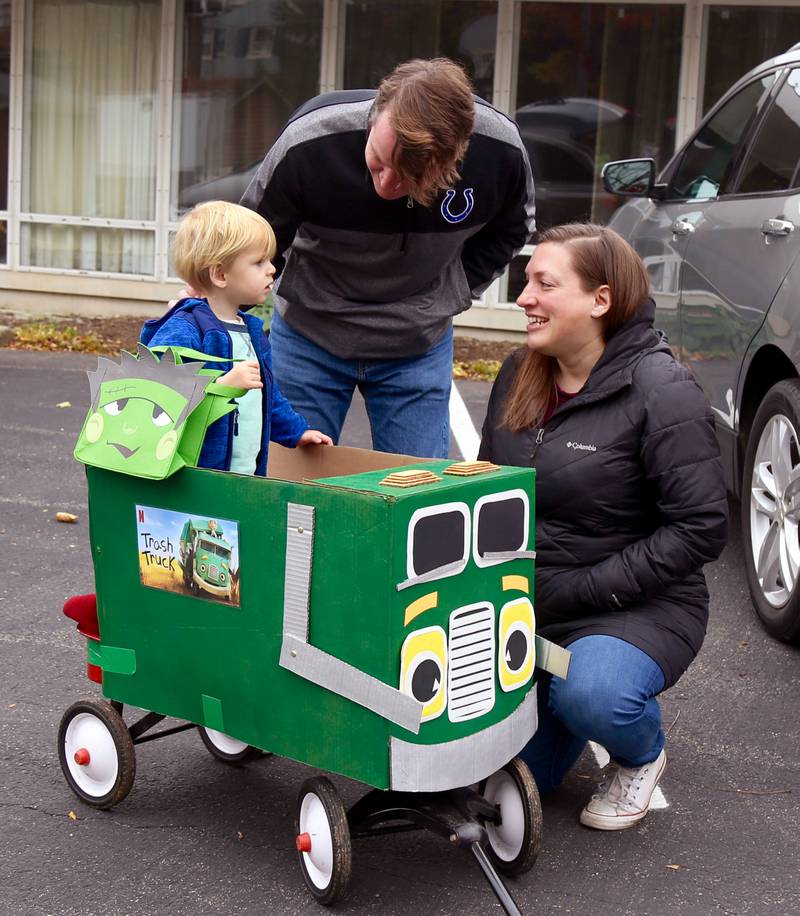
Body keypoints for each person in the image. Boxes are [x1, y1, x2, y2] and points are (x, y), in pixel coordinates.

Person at [478, 223, 728, 830]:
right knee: (492, 790)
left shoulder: (661, 388)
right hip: (530, 602)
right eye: (525, 280)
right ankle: (555, 704)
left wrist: (582, 590)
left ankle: (639, 754)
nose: (523, 297)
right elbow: (485, 483)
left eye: (544, 282)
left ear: (601, 299)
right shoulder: (521, 371)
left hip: (637, 606)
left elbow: (700, 527)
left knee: (596, 694)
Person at [240, 57, 535, 458]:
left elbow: (513, 229)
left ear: (456, 157)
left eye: (410, 179)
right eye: (379, 161)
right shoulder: (309, 141)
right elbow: (253, 236)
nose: (386, 185)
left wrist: (451, 291)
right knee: (288, 487)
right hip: (310, 333)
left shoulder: (499, 152)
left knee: (416, 492)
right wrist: (219, 312)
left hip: (418, 343)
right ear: (378, 113)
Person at [141, 201, 332, 476]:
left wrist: (297, 432)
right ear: (220, 274)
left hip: (244, 476)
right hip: (197, 479)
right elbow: (160, 396)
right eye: (258, 262)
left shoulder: (251, 331)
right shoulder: (186, 328)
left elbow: (269, 397)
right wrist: (224, 386)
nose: (272, 269)